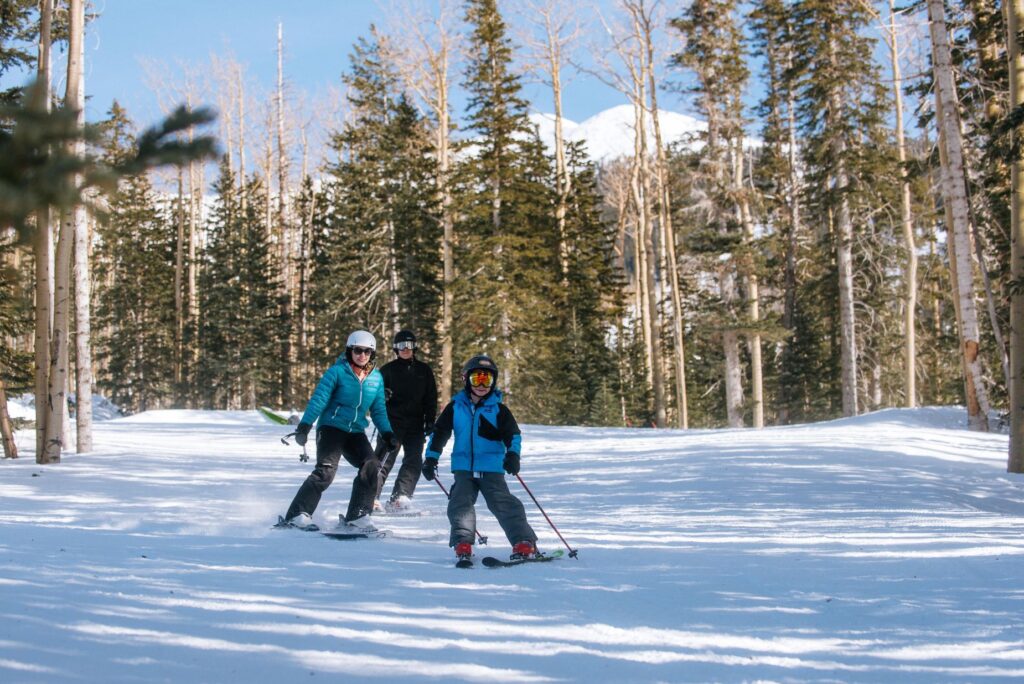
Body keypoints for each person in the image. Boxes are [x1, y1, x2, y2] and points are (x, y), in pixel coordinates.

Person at [420, 354, 539, 564]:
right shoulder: (455, 407)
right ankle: (463, 542)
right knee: (459, 503)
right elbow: (440, 433)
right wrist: (431, 458)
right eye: (477, 379)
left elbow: (514, 435)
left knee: (504, 504)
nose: (482, 385)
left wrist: (513, 455)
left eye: (487, 379)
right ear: (466, 380)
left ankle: (523, 541)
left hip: (492, 468)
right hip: (463, 468)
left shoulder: (498, 410)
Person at [281, 330, 398, 531]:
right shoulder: (337, 372)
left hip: (355, 431)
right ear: (349, 350)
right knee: (326, 471)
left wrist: (387, 433)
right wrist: (304, 426)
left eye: (367, 352)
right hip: (332, 428)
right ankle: (297, 514)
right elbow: (319, 399)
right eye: (358, 350)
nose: (362, 355)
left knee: (371, 465)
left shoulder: (376, 379)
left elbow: (378, 410)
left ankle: (358, 515)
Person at [373, 329, 438, 513]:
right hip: (392, 423)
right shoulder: (387, 370)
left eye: (409, 345)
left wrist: (430, 420)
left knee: (414, 460)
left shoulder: (424, 371)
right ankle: (371, 497)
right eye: (401, 346)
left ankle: (400, 497)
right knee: (384, 460)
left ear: (414, 347)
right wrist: (382, 396)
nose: (405, 349)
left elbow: (430, 397)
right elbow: (374, 395)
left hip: (415, 423)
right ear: (396, 348)